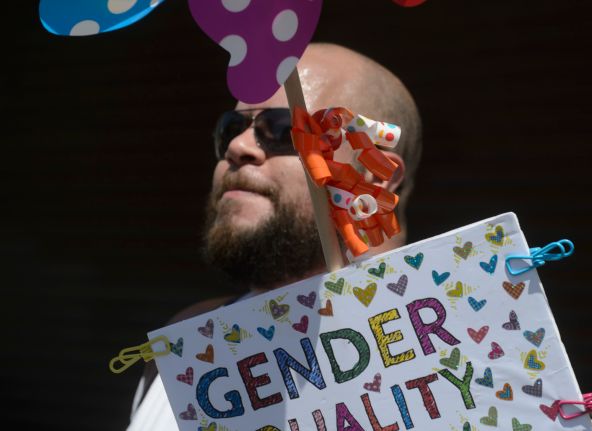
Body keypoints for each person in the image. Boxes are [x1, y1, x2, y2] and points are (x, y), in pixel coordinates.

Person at [126, 42, 422, 430]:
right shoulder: (185, 340)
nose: (238, 147)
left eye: (284, 130)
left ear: (374, 172)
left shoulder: (461, 350)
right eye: (231, 129)